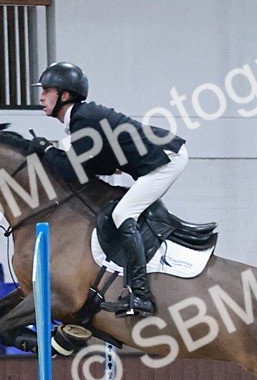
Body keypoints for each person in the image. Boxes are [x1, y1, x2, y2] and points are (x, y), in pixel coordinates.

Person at [32, 62, 188, 317]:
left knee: (122, 213)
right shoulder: (81, 120)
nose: (41, 96)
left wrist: (46, 150)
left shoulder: (84, 120)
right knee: (123, 211)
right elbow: (85, 168)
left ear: (65, 95)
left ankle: (141, 295)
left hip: (166, 158)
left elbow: (72, 171)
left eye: (47, 90)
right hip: (157, 158)